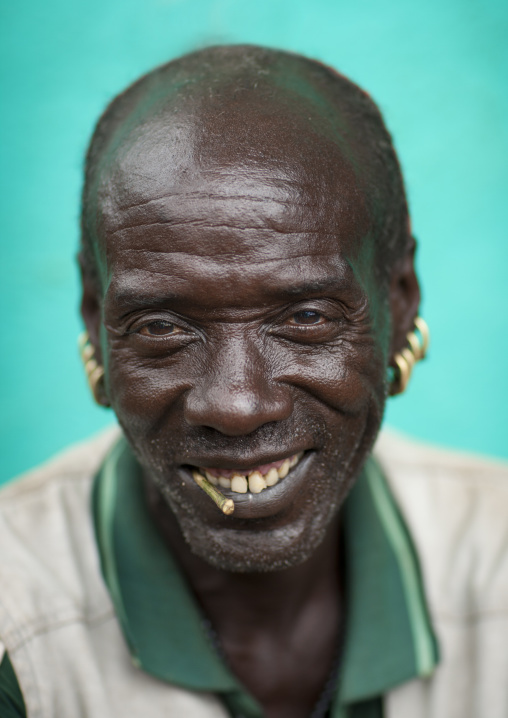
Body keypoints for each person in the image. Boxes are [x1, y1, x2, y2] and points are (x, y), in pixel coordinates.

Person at [0, 45, 507, 718]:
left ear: (402, 298)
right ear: (95, 320)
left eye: (305, 316)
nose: (236, 405)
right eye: (162, 328)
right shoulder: (18, 633)